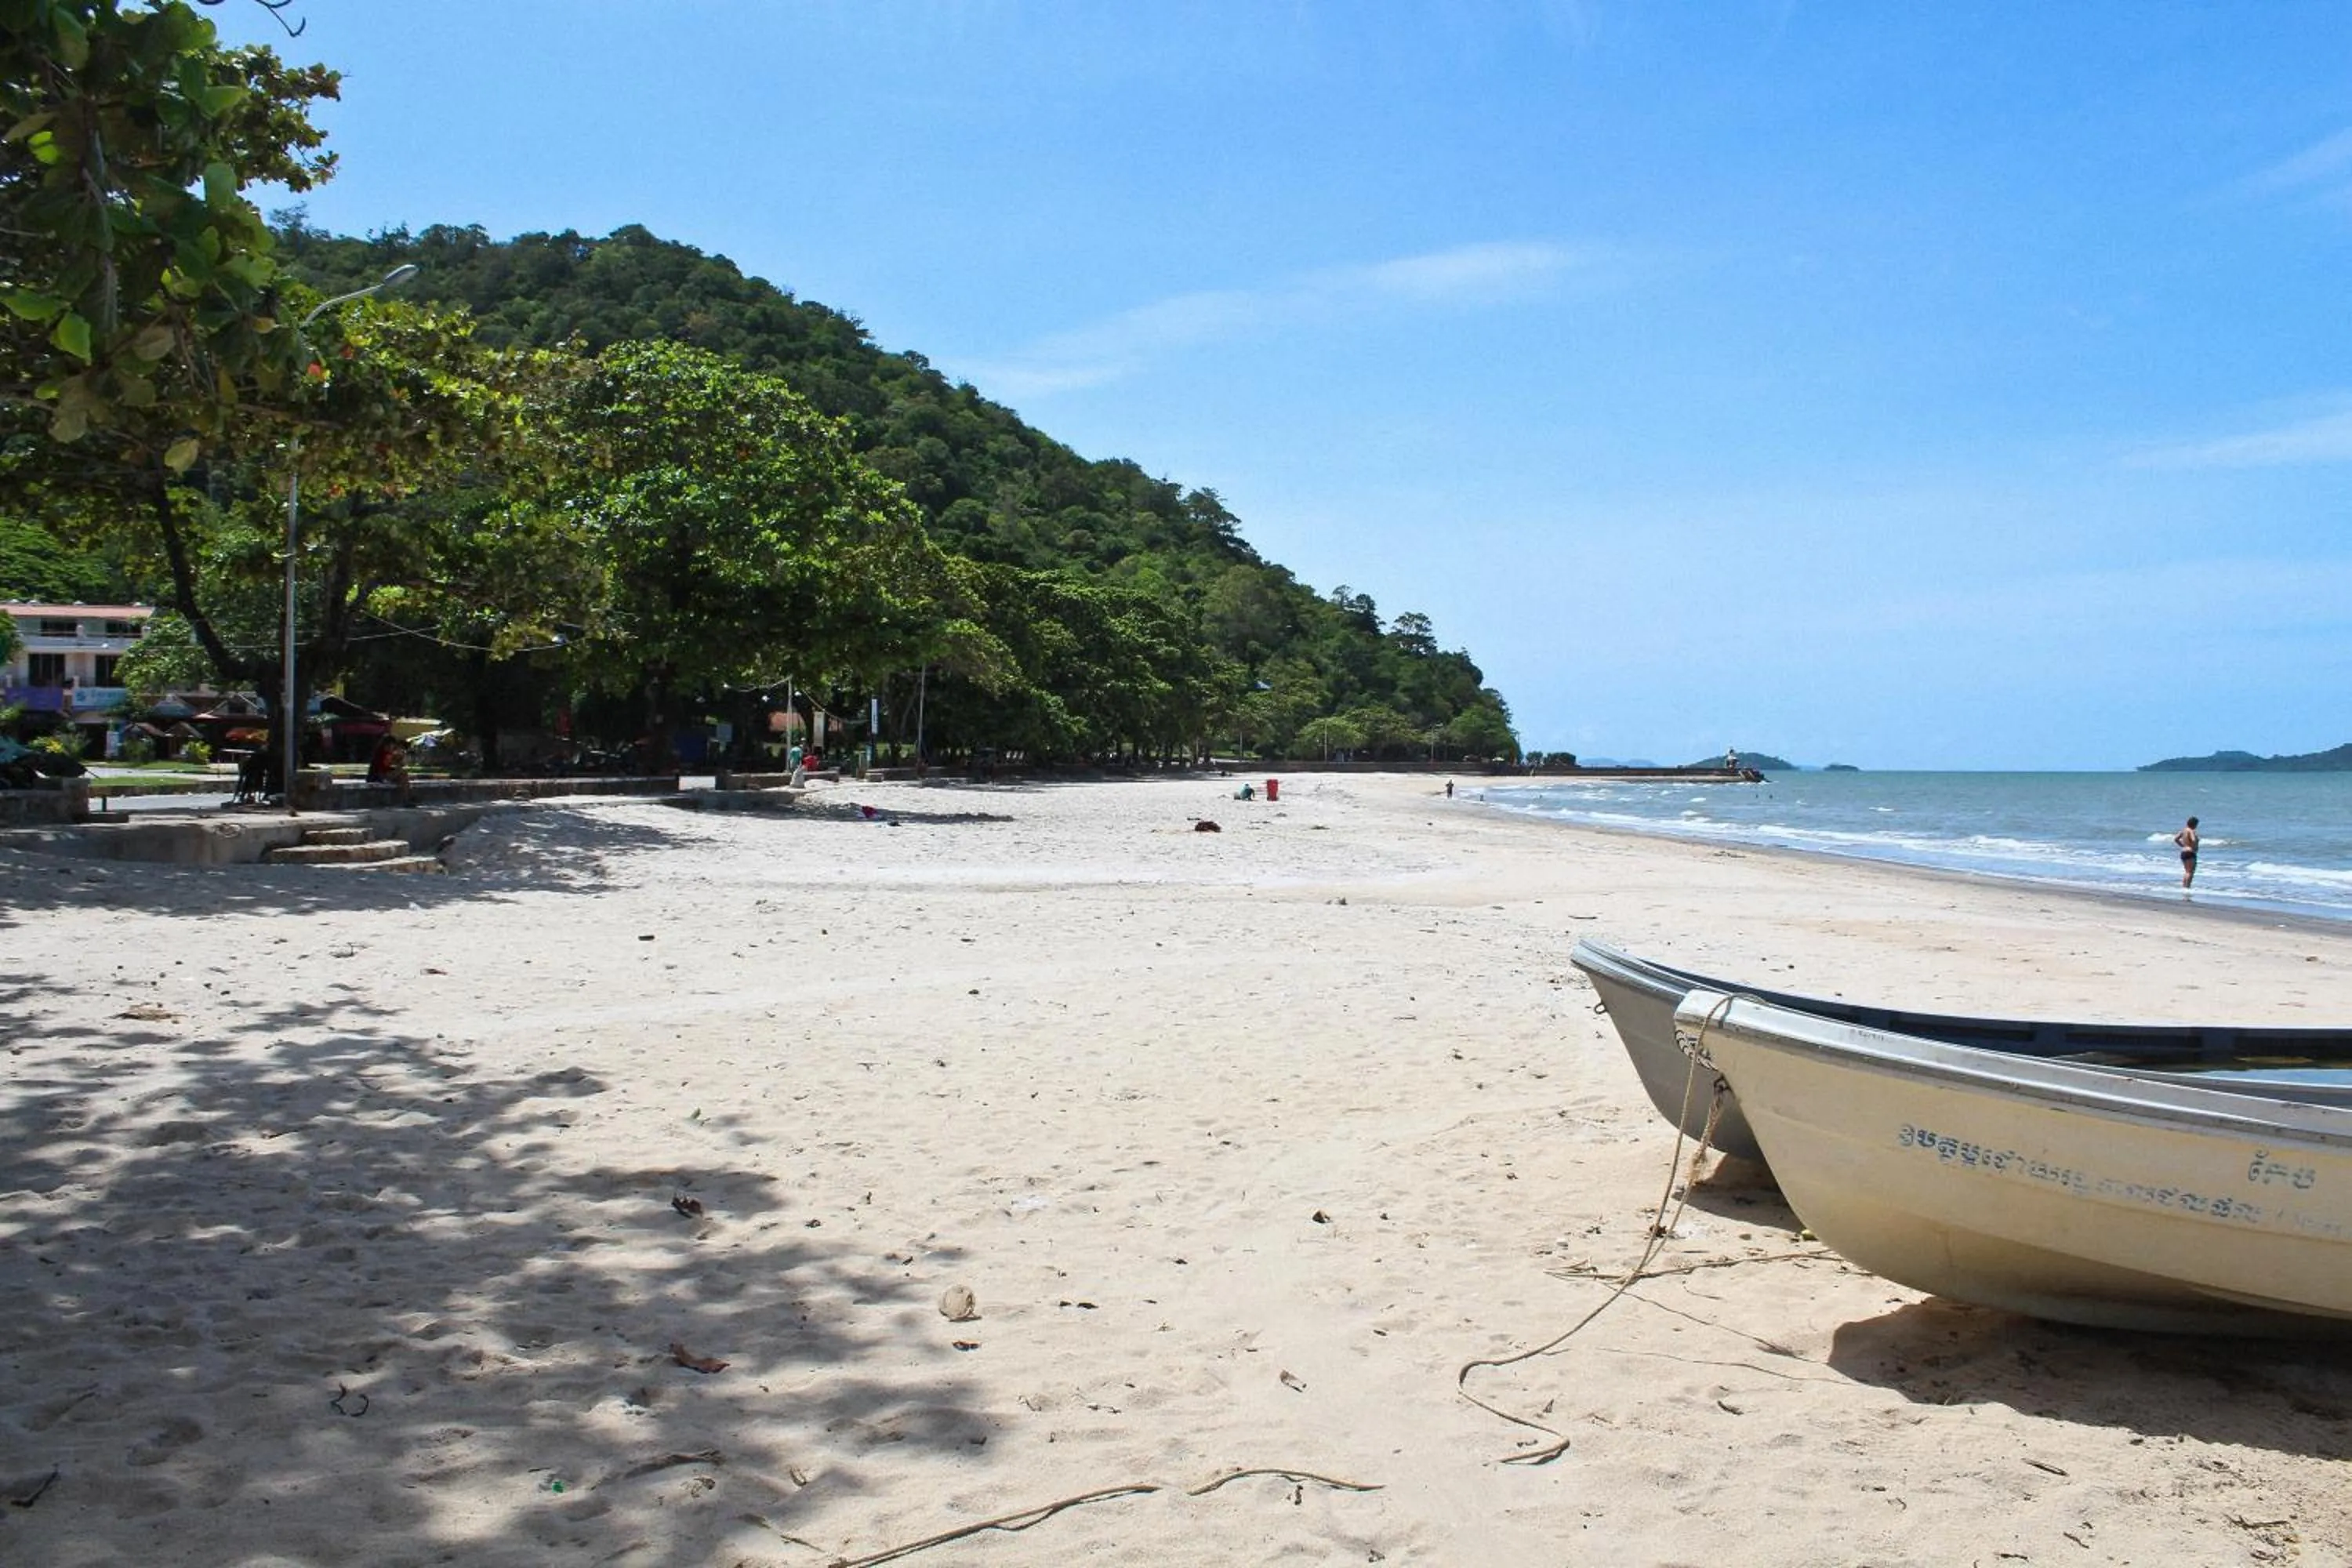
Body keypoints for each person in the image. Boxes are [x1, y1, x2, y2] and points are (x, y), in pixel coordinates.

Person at [2176, 815, 2200, 887]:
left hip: (2183, 852)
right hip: (2190, 852)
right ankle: (2187, 887)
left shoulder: (2183, 830)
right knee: (2190, 872)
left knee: (2187, 871)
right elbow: (2193, 840)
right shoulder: (2191, 831)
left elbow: (2176, 839)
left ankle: (2184, 886)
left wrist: (2183, 845)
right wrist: (2194, 846)